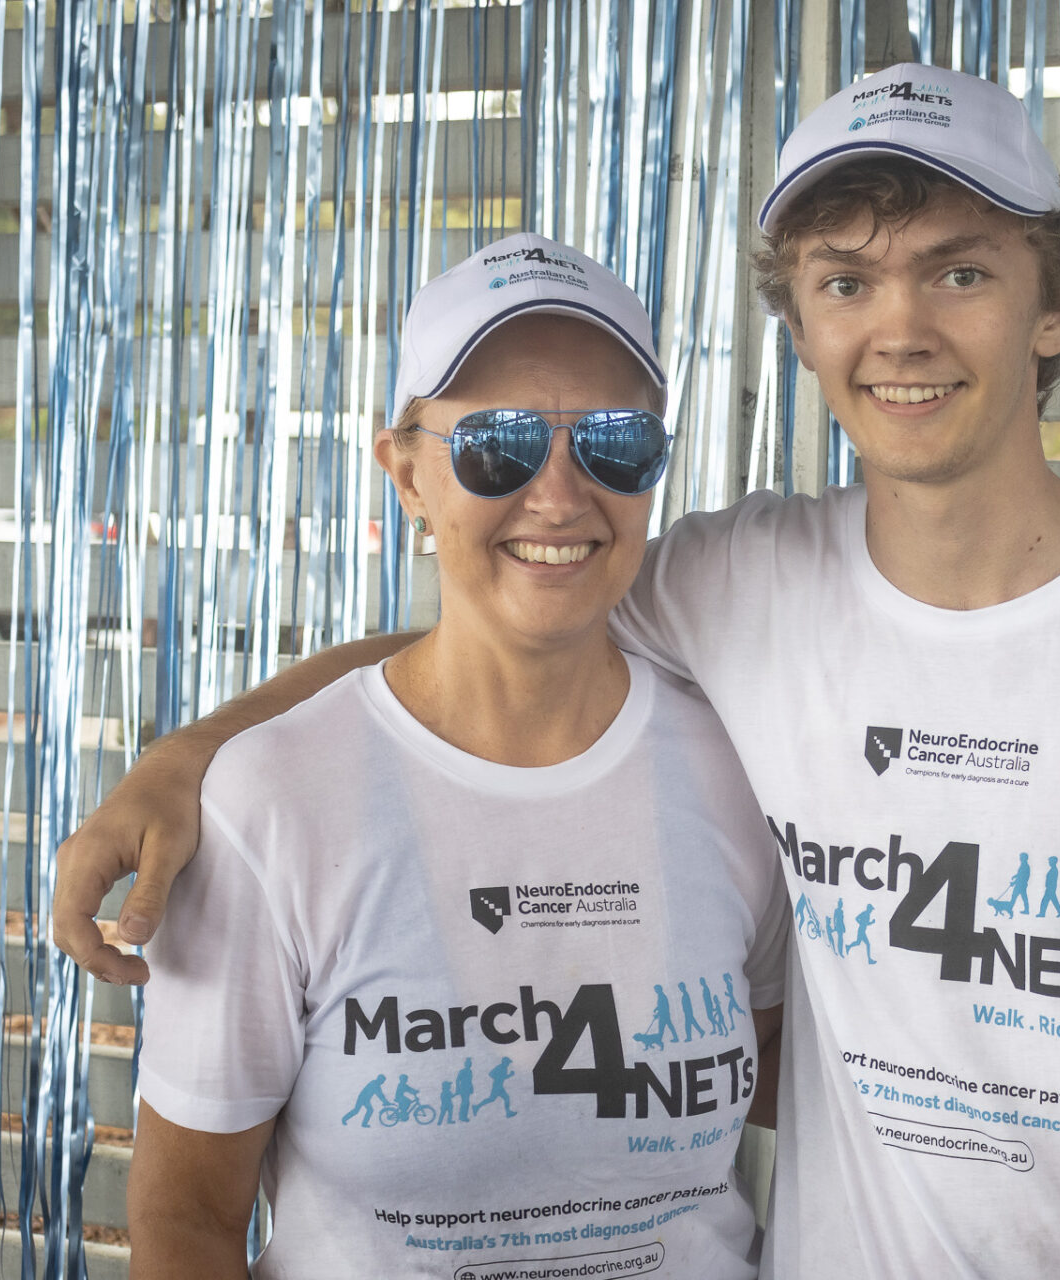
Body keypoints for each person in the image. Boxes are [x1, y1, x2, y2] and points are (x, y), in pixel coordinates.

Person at [64, 65, 1060, 1278]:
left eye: (959, 273)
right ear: (800, 327)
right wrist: (190, 761)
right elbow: (501, 619)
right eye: (846, 283)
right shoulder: (743, 580)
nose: (900, 330)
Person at [122, 234, 787, 1278]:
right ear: (407, 474)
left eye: (614, 442)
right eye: (497, 444)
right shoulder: (273, 800)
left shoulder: (737, 766)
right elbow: (186, 1221)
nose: (559, 494)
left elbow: (802, 1076)